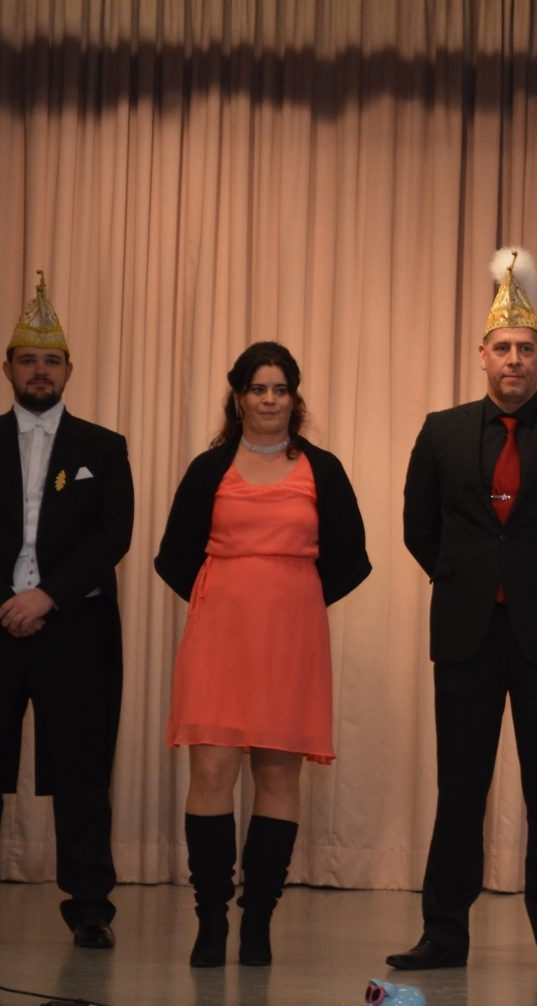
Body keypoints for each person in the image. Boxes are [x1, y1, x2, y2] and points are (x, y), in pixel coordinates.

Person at [388, 247, 537, 976]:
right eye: (503, 349)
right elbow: (419, 529)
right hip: (466, 633)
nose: (514, 360)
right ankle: (443, 934)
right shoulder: (441, 431)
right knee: (459, 789)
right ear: (482, 355)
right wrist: (470, 579)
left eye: (525, 349)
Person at [0, 272, 134, 948]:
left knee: (81, 770)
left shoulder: (103, 448)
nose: (40, 370)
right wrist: (2, 600)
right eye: (28, 360)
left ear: (69, 370)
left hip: (74, 628)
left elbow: (113, 533)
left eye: (51, 360)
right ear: (8, 369)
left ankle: (90, 908)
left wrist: (48, 595)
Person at [154, 341, 371, 967]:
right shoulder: (210, 468)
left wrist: (291, 597)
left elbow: (351, 556)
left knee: (278, 776)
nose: (269, 400)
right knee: (211, 773)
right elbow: (175, 554)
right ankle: (210, 920)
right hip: (220, 633)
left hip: (291, 638)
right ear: (238, 397)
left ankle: (258, 922)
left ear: (294, 398)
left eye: (280, 389)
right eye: (258, 389)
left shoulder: (323, 469)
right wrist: (231, 593)